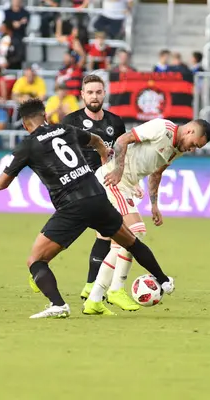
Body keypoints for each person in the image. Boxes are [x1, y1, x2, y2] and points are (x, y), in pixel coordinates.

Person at [0, 99, 175, 318]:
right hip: (97, 196)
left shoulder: (28, 144)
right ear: (45, 117)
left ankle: (58, 304)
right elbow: (95, 139)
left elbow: (2, 184)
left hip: (71, 206)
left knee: (36, 261)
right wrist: (103, 154)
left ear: (26, 125)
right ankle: (164, 280)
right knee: (131, 242)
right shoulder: (64, 129)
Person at [85, 117, 210, 314]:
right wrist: (119, 170)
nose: (192, 149)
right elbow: (122, 140)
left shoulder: (177, 150)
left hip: (126, 186)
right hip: (112, 180)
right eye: (195, 144)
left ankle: (94, 299)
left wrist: (154, 204)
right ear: (190, 132)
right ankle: (116, 289)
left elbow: (156, 173)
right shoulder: (161, 128)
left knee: (120, 242)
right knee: (135, 232)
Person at [60, 74, 128, 306]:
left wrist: (128, 181)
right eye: (90, 92)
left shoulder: (115, 123)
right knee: (109, 232)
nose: (94, 96)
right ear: (82, 95)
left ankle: (92, 286)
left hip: (107, 184)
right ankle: (98, 286)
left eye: (98, 92)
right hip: (80, 185)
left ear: (104, 93)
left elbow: (121, 155)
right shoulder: (70, 121)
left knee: (108, 233)